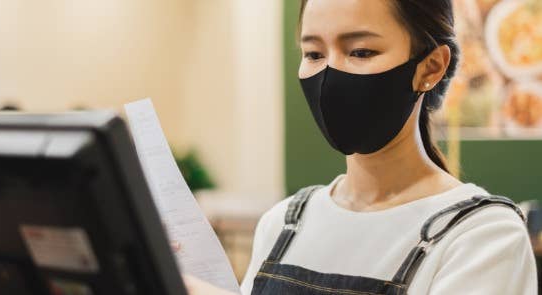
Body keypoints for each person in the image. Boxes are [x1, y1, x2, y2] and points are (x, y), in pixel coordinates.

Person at [184, 0, 537, 294]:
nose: (330, 73)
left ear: (430, 67)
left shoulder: (482, 237)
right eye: (313, 53)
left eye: (360, 51)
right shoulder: (283, 223)